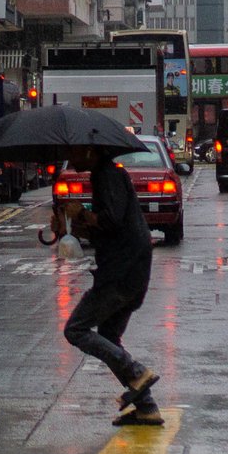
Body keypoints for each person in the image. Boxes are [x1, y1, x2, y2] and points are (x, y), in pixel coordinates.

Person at [53, 145, 161, 426]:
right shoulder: (103, 175)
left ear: (89, 151)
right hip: (129, 266)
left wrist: (80, 213)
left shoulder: (108, 175)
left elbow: (111, 221)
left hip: (123, 269)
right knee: (109, 334)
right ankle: (147, 408)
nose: (70, 157)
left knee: (75, 329)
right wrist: (68, 228)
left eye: (73, 152)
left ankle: (135, 371)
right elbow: (106, 230)